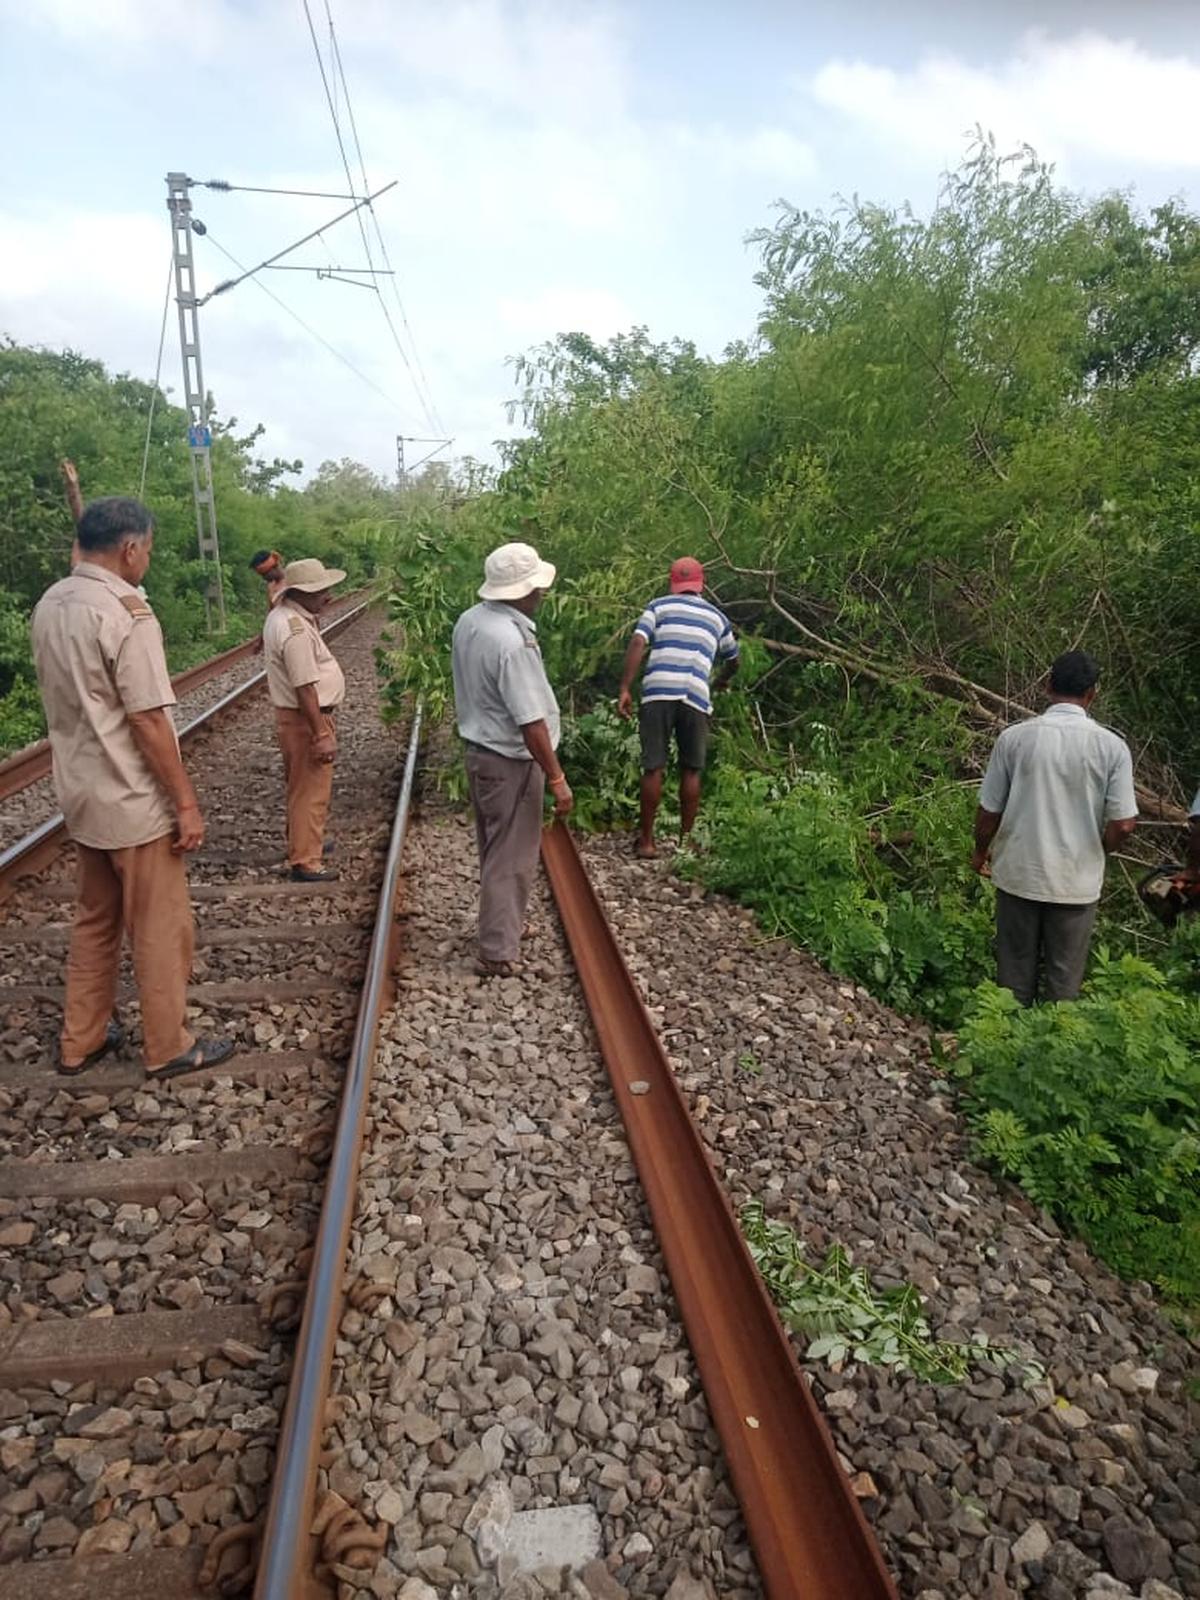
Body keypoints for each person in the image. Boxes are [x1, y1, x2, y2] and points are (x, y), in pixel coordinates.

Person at [30, 497, 234, 1079]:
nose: (147, 558)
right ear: (130, 548)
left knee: (96, 919)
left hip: (82, 797)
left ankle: (80, 1041)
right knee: (161, 927)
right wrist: (186, 803)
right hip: (133, 802)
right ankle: (168, 1045)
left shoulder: (52, 603)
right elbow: (146, 719)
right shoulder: (125, 613)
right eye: (147, 548)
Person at [972, 650, 1137, 1005]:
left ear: (1048, 685)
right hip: (1075, 882)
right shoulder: (1112, 748)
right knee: (1064, 982)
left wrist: (980, 852)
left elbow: (988, 811)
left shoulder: (1014, 739)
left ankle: (1006, 1045)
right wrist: (1098, 848)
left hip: (1019, 873)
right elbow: (1124, 824)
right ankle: (1055, 1047)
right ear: (1092, 693)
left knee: (1013, 974)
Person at [451, 542, 573, 977]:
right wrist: (556, 777)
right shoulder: (513, 641)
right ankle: (498, 950)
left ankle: (503, 925)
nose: (540, 594)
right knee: (513, 856)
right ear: (521, 592)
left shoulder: (471, 621)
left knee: (495, 847)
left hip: (481, 754)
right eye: (536, 587)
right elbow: (531, 721)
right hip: (510, 760)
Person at [617, 556, 739, 858]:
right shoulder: (717, 618)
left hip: (658, 691)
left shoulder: (658, 606)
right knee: (691, 769)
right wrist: (721, 680)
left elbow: (637, 642)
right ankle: (684, 845)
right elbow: (733, 659)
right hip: (696, 696)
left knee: (653, 766)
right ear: (701, 583)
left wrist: (624, 688)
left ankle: (646, 842)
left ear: (673, 582)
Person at [262, 557, 347, 882]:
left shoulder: (282, 615)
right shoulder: (295, 629)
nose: (327, 596)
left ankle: (305, 841)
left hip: (294, 719)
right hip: (304, 719)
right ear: (300, 593)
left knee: (301, 787)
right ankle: (307, 861)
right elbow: (304, 686)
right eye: (320, 591)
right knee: (310, 790)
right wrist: (321, 733)